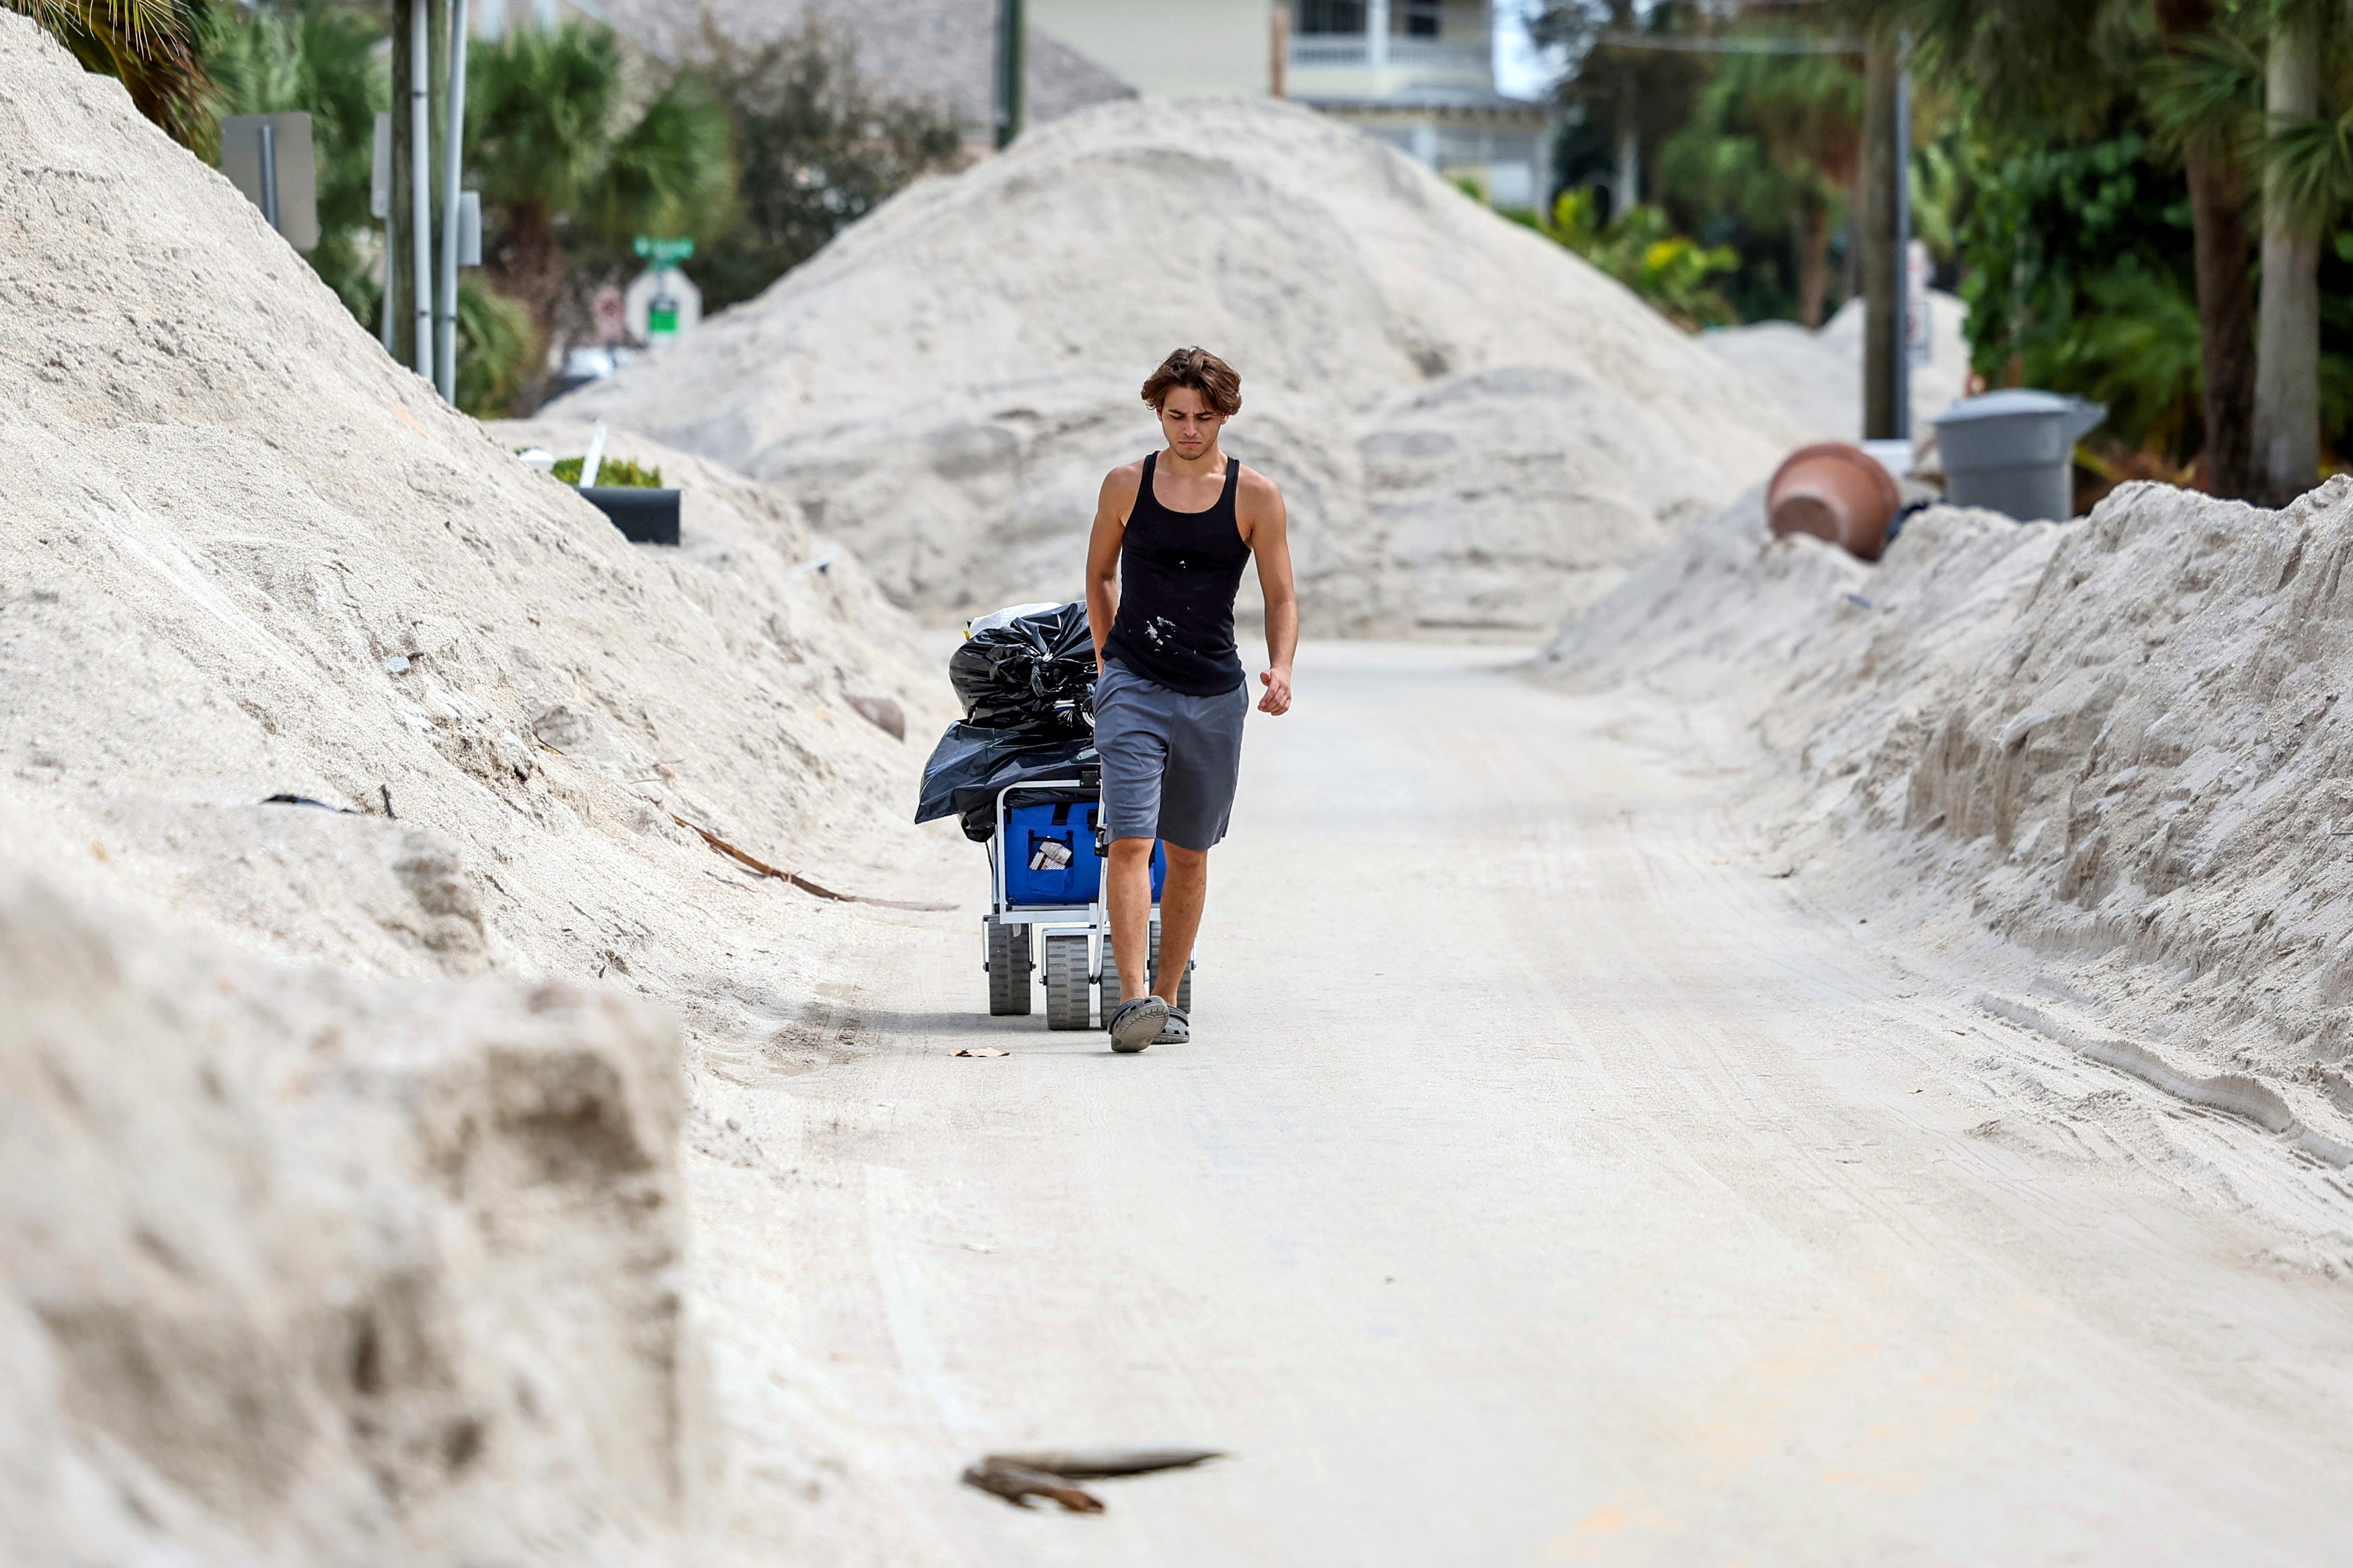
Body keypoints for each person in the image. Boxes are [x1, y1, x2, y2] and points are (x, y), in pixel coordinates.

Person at [1086, 346, 1298, 1053]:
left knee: (1188, 852)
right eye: (1175, 415)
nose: (1188, 429)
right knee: (1130, 840)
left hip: (1213, 693)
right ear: (1157, 410)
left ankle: (1168, 997)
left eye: (1203, 417)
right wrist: (1108, 656)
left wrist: (1281, 667)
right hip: (1133, 686)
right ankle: (1132, 999)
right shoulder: (1124, 484)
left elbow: (1281, 595)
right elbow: (1099, 576)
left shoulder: (1254, 496)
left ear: (1224, 415)